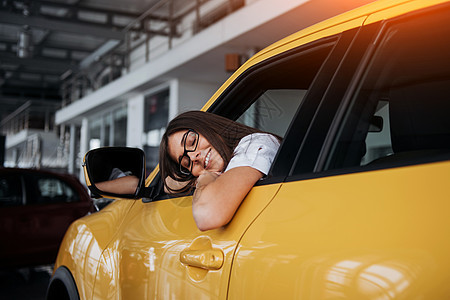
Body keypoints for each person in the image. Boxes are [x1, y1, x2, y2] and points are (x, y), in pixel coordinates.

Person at [159, 111, 280, 231]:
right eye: (186, 163)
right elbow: (169, 183)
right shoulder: (229, 167)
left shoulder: (255, 145)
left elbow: (207, 216)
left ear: (208, 126)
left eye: (192, 142)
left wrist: (204, 178)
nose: (193, 157)